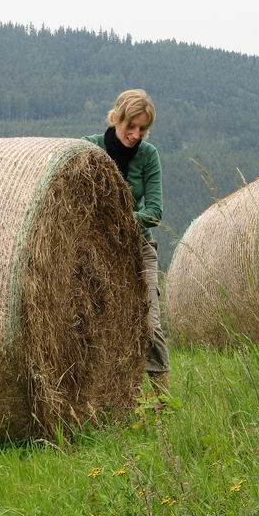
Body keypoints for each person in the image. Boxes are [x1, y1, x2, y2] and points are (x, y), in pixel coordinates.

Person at [82, 89, 170, 389]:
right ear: (116, 118)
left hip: (138, 249)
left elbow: (155, 212)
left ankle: (162, 401)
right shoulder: (88, 150)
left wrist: (118, 221)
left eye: (142, 129)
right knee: (95, 324)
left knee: (150, 324)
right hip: (96, 252)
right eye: (130, 126)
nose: (136, 134)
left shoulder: (149, 156)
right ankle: (105, 394)